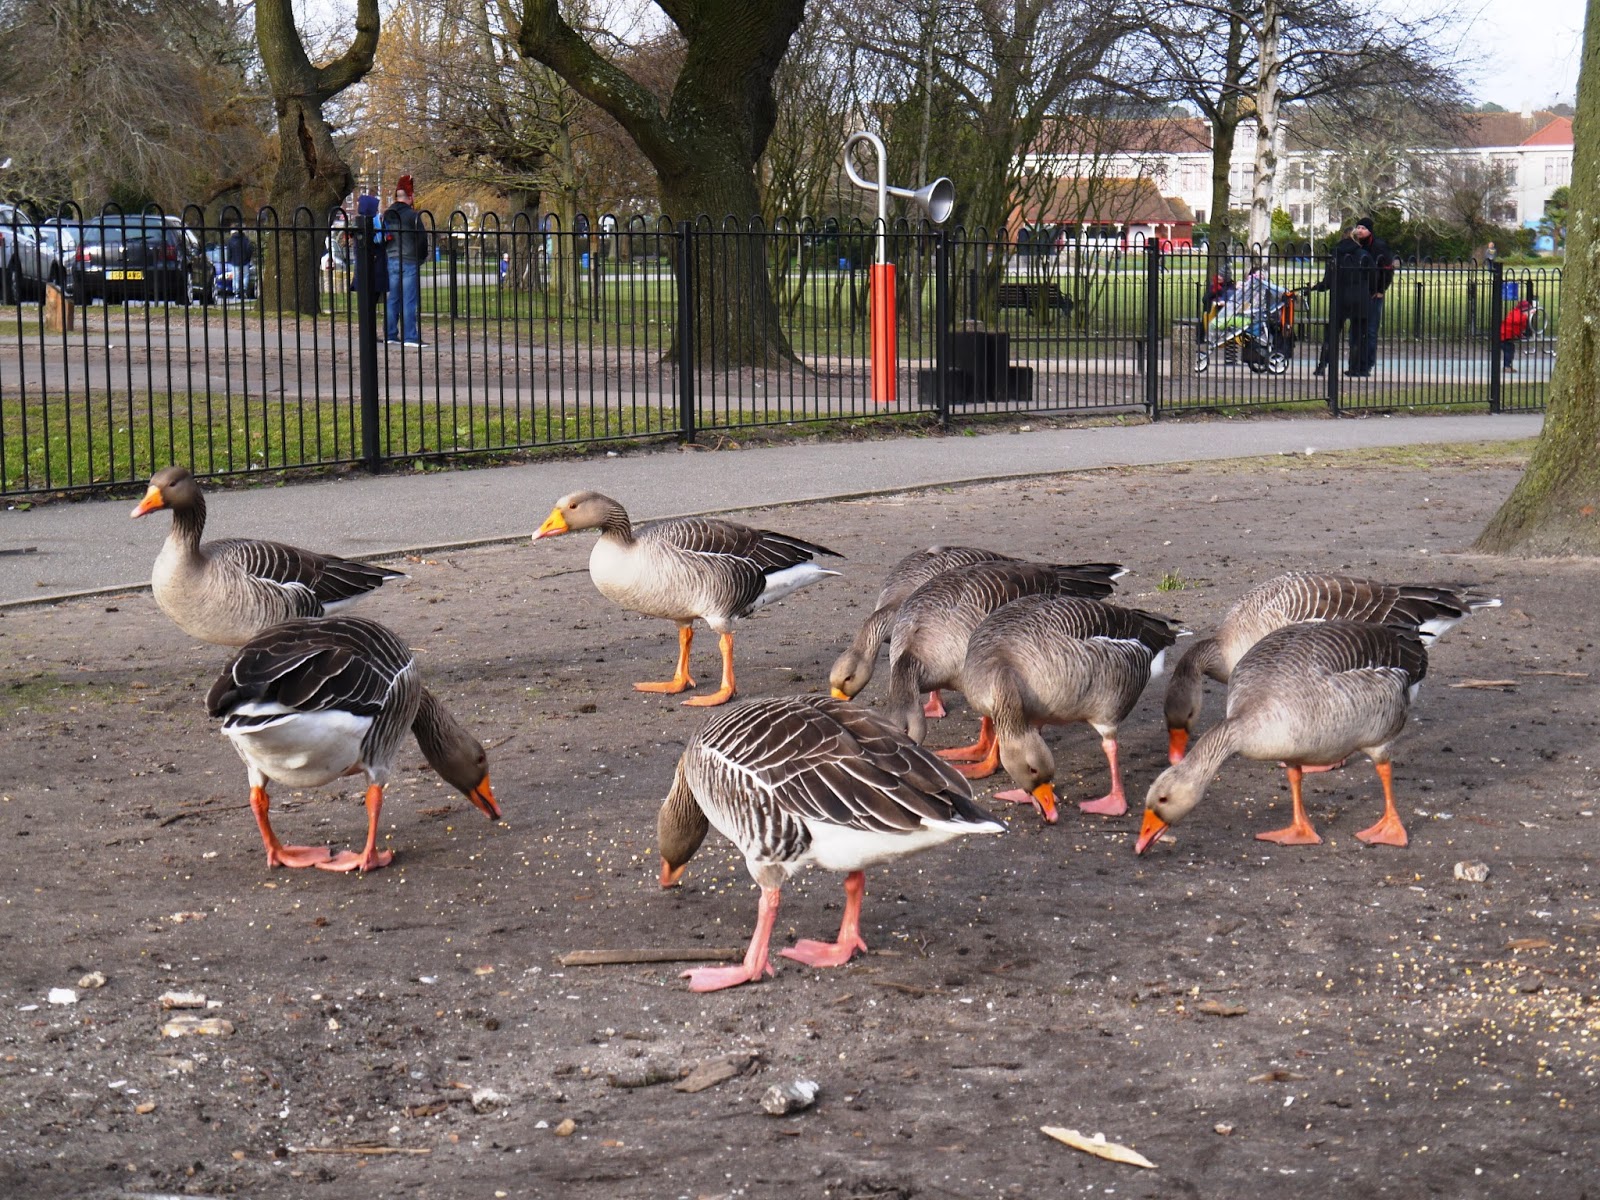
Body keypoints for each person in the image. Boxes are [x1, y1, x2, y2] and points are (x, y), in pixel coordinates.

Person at [1307, 220, 1377, 377]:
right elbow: (1373, 277)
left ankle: (1322, 366)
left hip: (1339, 298)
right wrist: (1371, 291)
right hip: (1360, 298)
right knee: (1358, 336)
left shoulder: (1335, 254)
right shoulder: (1364, 255)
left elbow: (1328, 282)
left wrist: (1316, 287)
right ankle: (1355, 368)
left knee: (1331, 335)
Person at [382, 174, 431, 346]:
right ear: (410, 197)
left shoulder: (388, 215)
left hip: (392, 258)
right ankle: (410, 336)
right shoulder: (412, 216)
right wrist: (422, 257)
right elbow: (422, 240)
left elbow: (383, 236)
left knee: (393, 298)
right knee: (409, 299)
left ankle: (390, 334)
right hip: (410, 260)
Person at [1357, 217, 1397, 375]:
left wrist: (1381, 290)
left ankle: (1368, 363)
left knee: (1371, 330)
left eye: (1363, 228)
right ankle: (1358, 362)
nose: (1360, 230)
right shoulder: (1357, 246)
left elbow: (1387, 269)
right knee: (1359, 329)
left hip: (1374, 293)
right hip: (1360, 293)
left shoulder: (1378, 246)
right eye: (1358, 227)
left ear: (1369, 230)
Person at [1499, 297, 1535, 373]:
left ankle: (1508, 365)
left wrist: (1520, 334)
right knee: (1508, 351)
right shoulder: (1517, 313)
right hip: (1505, 335)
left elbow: (1519, 327)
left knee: (1510, 350)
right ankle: (1507, 366)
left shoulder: (1520, 315)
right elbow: (1516, 321)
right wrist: (1525, 316)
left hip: (1508, 335)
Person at [223, 222, 255, 299]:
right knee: (245, 276)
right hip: (245, 261)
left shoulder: (231, 240)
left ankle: (236, 292)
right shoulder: (245, 239)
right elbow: (249, 250)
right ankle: (243, 290)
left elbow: (229, 251)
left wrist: (230, 259)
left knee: (236, 277)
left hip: (235, 261)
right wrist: (248, 258)